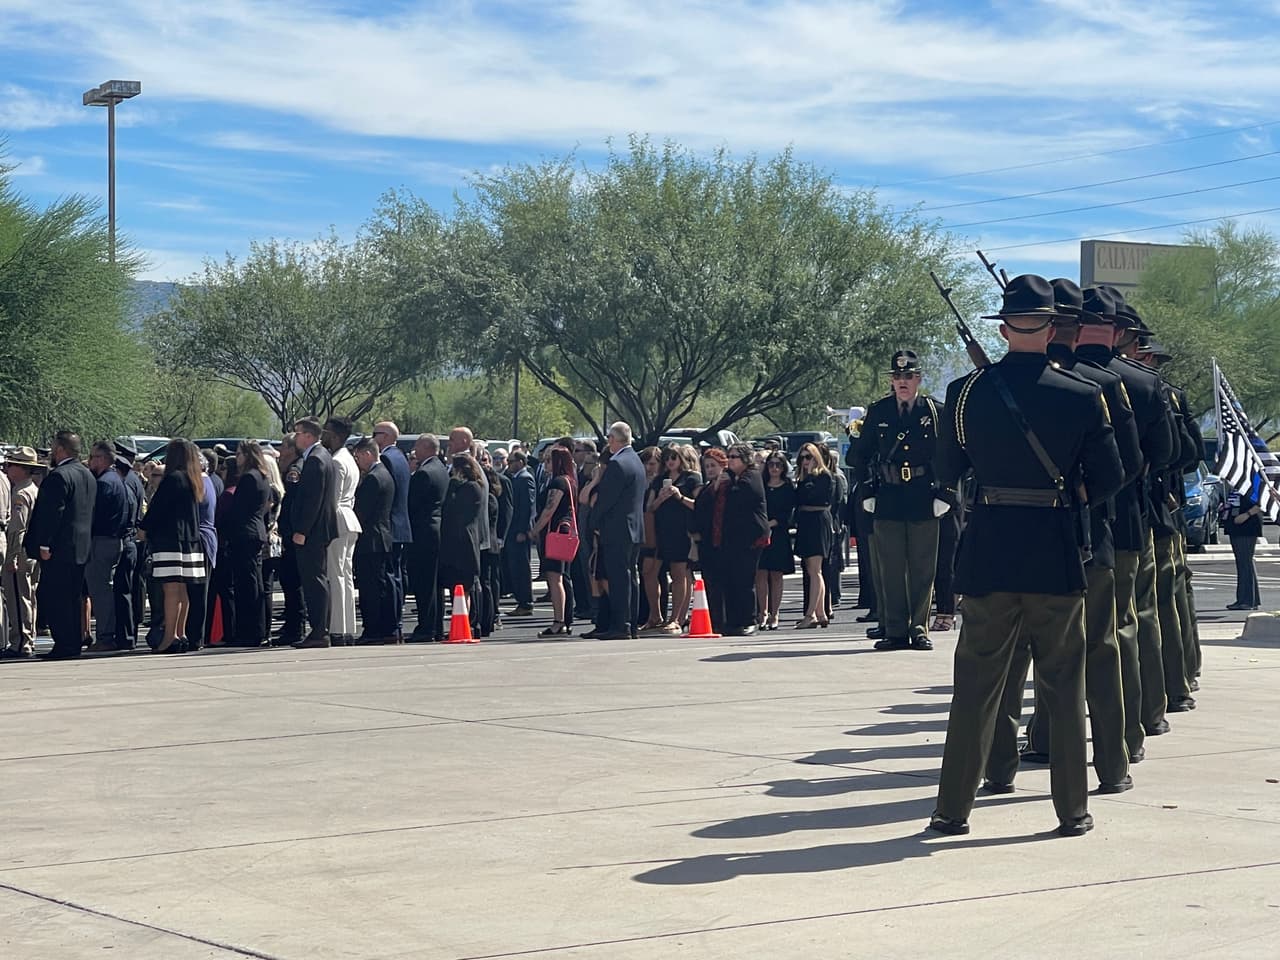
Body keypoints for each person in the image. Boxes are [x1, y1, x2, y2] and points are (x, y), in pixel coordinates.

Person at [929, 274, 1124, 838]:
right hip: (1053, 551)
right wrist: (1064, 496)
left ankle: (952, 809)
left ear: (1006, 325)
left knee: (975, 687)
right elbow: (1109, 476)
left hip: (989, 550)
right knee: (1064, 685)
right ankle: (1072, 809)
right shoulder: (1083, 395)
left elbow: (947, 473)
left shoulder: (966, 393)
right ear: (1052, 325)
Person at [986, 278, 1144, 795]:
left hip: (1011, 542)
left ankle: (1000, 763)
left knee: (1008, 660)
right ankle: (1112, 764)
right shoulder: (1095, 386)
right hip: (1087, 538)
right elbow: (1127, 466)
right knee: (1098, 650)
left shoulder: (993, 383)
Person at [851, 350, 945, 651]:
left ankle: (918, 627)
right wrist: (867, 491)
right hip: (888, 495)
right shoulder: (879, 412)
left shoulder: (934, 412)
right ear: (892, 381)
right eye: (897, 377)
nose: (902, 382)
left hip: (922, 494)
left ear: (918, 379)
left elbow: (950, 457)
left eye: (908, 376)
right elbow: (860, 455)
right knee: (889, 567)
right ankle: (893, 629)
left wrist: (946, 494)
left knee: (922, 566)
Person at [24, 431, 96, 660]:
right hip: (81, 547)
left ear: (61, 449)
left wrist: (44, 544)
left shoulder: (59, 476)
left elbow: (52, 514)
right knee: (73, 597)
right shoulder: (87, 475)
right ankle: (72, 641)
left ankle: (64, 643)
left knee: (55, 596)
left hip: (60, 548)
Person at [137, 439, 208, 654]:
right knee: (183, 589)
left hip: (170, 541)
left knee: (170, 589)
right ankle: (181, 632)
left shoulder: (173, 479)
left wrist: (144, 527)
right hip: (191, 540)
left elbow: (157, 510)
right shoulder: (193, 480)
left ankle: (169, 638)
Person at [587, 423, 646, 640]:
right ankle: (630, 624)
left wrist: (593, 523)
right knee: (630, 578)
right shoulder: (635, 461)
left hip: (617, 530)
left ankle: (621, 625)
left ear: (613, 439)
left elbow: (605, 501)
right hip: (633, 529)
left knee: (619, 579)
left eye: (609, 438)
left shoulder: (617, 464)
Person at [291, 417, 339, 649]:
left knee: (315, 581)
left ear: (309, 436)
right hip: (319, 529)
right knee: (316, 578)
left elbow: (313, 500)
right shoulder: (320, 456)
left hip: (313, 531)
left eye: (298, 433)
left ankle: (320, 631)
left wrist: (302, 530)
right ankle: (319, 629)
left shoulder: (316, 460)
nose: (295, 437)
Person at [645, 444, 701, 633]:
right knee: (650, 572)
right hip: (660, 531)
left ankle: (676, 618)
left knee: (678, 574)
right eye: (667, 458)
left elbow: (699, 505)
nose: (670, 461)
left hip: (681, 531)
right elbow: (649, 507)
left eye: (674, 457)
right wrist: (660, 498)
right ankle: (655, 615)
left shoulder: (692, 478)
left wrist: (679, 496)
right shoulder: (660, 479)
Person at [225, 441, 272, 647]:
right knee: (255, 583)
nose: (237, 458)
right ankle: (257, 629)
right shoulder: (263, 476)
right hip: (256, 531)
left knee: (247, 584)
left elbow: (238, 509)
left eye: (239, 454)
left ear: (248, 455)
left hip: (245, 533)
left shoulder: (249, 477)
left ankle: (249, 631)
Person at [350, 438, 397, 643]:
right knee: (381, 584)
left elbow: (362, 511)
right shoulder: (385, 474)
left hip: (371, 539)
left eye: (359, 456)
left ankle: (373, 629)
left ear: (368, 454)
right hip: (382, 536)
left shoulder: (373, 478)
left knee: (371, 588)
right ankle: (385, 627)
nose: (357, 461)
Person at [85, 440, 130, 652]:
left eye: (93, 456)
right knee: (104, 589)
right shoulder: (117, 479)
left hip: (102, 541)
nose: (89, 460)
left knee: (100, 591)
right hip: (113, 540)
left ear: (102, 459)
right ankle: (106, 634)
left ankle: (105, 636)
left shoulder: (104, 483)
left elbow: (94, 515)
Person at [720, 443, 769, 636]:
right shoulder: (735, 477)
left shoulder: (751, 476)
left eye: (733, 457)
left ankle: (749, 619)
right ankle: (733, 620)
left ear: (745, 459)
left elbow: (739, 495)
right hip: (734, 536)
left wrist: (729, 481)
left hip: (751, 536)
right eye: (729, 456)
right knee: (731, 579)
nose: (729, 460)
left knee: (745, 579)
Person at [321, 416, 361, 647]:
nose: (323, 435)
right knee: (345, 575)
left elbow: (332, 499)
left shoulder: (336, 461)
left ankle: (337, 628)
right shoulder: (349, 459)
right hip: (349, 519)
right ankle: (346, 627)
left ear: (335, 435)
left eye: (326, 432)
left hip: (337, 519)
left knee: (336, 575)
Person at [530, 445, 577, 637]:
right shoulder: (570, 481)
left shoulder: (558, 482)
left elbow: (549, 509)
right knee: (562, 577)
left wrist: (535, 529)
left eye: (549, 460)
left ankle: (559, 621)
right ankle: (564, 619)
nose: (545, 463)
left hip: (556, 533)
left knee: (555, 577)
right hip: (563, 532)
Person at [373, 422, 413, 641]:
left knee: (389, 578)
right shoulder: (401, 456)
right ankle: (395, 624)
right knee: (396, 576)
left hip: (390, 526)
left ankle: (390, 625)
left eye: (375, 434)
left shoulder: (387, 458)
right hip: (401, 525)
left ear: (386, 436)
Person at [407, 434, 449, 641]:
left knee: (424, 583)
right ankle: (436, 626)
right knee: (434, 583)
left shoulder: (423, 473)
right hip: (436, 529)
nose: (415, 450)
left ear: (426, 448)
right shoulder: (441, 469)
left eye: (417, 446)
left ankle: (426, 628)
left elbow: (412, 505)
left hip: (423, 531)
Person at [439, 453, 485, 630]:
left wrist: (452, 487)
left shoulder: (472, 487)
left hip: (464, 542)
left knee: (464, 585)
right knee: (455, 585)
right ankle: (461, 621)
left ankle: (467, 622)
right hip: (454, 541)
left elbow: (455, 510)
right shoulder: (466, 487)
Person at [3, 447, 41, 658]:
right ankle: (29, 638)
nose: (8, 468)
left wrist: (12, 557)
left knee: (18, 596)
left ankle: (20, 642)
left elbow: (18, 529)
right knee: (29, 597)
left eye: (12, 465)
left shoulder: (21, 494)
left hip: (22, 552)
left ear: (22, 469)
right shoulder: (33, 489)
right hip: (32, 552)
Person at [792, 442, 833, 629]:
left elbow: (816, 497)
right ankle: (820, 613)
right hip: (806, 521)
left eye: (808, 457)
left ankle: (810, 614)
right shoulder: (802, 477)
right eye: (802, 457)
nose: (804, 461)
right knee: (810, 568)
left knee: (815, 569)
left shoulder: (823, 476)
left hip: (817, 520)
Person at [274, 433, 308, 645]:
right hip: (290, 532)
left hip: (291, 533)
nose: (280, 451)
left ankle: (296, 627)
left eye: (283, 446)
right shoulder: (292, 466)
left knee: (293, 581)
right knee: (290, 582)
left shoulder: (295, 470)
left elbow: (293, 504)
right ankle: (292, 624)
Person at [757, 452, 795, 630]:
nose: (774, 468)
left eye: (778, 465)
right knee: (761, 574)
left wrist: (772, 523)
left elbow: (789, 512)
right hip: (760, 533)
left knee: (776, 575)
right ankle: (762, 613)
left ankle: (775, 613)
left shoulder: (788, 487)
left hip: (779, 534)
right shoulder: (761, 485)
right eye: (771, 464)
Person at [112, 443, 145, 651]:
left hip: (126, 539)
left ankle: (125, 636)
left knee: (122, 590)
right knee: (129, 588)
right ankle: (128, 633)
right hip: (133, 539)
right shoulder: (135, 480)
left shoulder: (125, 482)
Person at [502, 450, 537, 617]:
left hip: (519, 530)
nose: (508, 464)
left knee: (521, 567)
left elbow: (528, 507)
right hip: (512, 529)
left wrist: (524, 530)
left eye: (512, 461)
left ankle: (526, 602)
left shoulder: (525, 479)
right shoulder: (514, 478)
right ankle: (521, 601)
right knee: (514, 566)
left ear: (521, 462)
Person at [1226, 484, 1263, 611]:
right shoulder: (1234, 481)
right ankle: (1248, 599)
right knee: (1243, 562)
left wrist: (1247, 514)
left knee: (1245, 562)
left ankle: (1247, 601)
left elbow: (1262, 502)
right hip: (1235, 524)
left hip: (1248, 525)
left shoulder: (1253, 477)